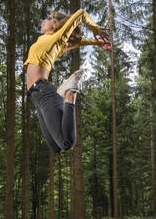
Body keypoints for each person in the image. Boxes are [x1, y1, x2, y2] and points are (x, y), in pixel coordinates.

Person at [24, 9, 111, 153]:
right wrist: (96, 43)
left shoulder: (57, 38)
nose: (43, 21)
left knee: (66, 143)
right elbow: (76, 44)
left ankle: (70, 94)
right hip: (35, 96)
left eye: (49, 19)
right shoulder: (45, 40)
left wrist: (95, 28)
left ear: (57, 25)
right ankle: (68, 92)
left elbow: (82, 13)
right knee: (55, 147)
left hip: (44, 92)